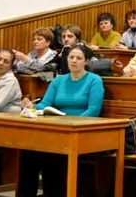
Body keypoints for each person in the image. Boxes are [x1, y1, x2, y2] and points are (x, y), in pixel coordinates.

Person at [19, 45, 104, 197]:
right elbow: (46, 104)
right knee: (29, 152)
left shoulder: (94, 80)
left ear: (86, 62)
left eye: (79, 58)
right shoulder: (59, 80)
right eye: (71, 57)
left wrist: (72, 125)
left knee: (53, 155)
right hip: (57, 128)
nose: (74, 61)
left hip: (80, 129)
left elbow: (93, 110)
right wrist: (32, 106)